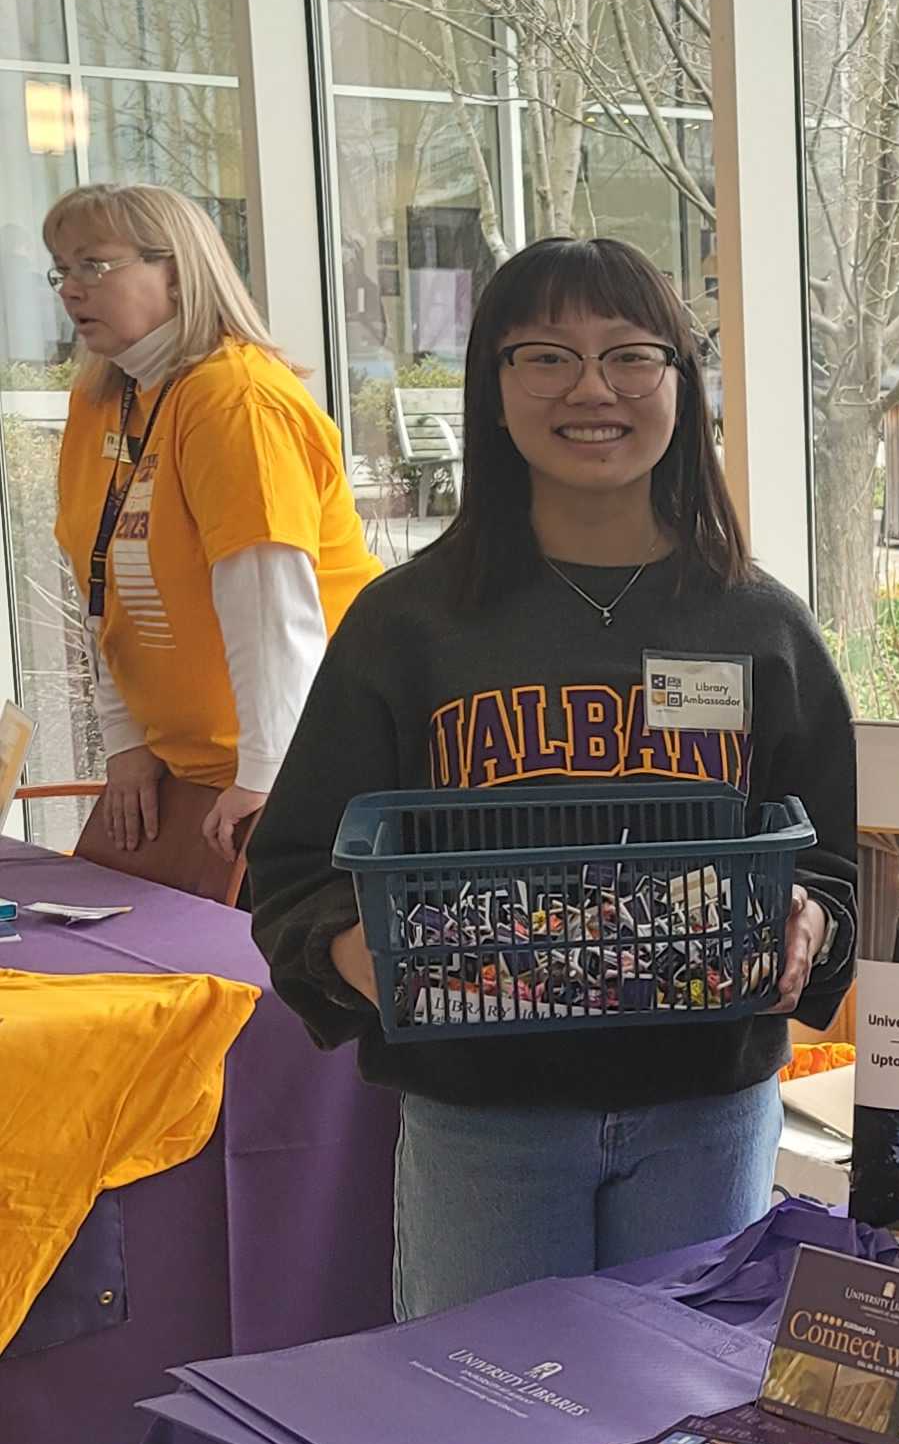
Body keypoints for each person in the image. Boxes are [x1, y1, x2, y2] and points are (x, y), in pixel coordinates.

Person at [247, 237, 858, 1316]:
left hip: (706, 1114)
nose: (591, 390)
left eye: (631, 356)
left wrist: (807, 922)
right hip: (484, 1123)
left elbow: (833, 868)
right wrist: (365, 955)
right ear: (493, 385)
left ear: (681, 382)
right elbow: (293, 872)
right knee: (484, 1429)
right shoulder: (407, 626)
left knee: (683, 1439)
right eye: (545, 357)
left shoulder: (760, 627)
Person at [48, 184, 380, 875]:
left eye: (93, 266)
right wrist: (127, 742)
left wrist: (265, 778)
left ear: (175, 269)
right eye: (60, 270)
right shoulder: (104, 397)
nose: (70, 290)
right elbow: (100, 589)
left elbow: (273, 615)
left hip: (300, 772)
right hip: (191, 771)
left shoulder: (236, 400)